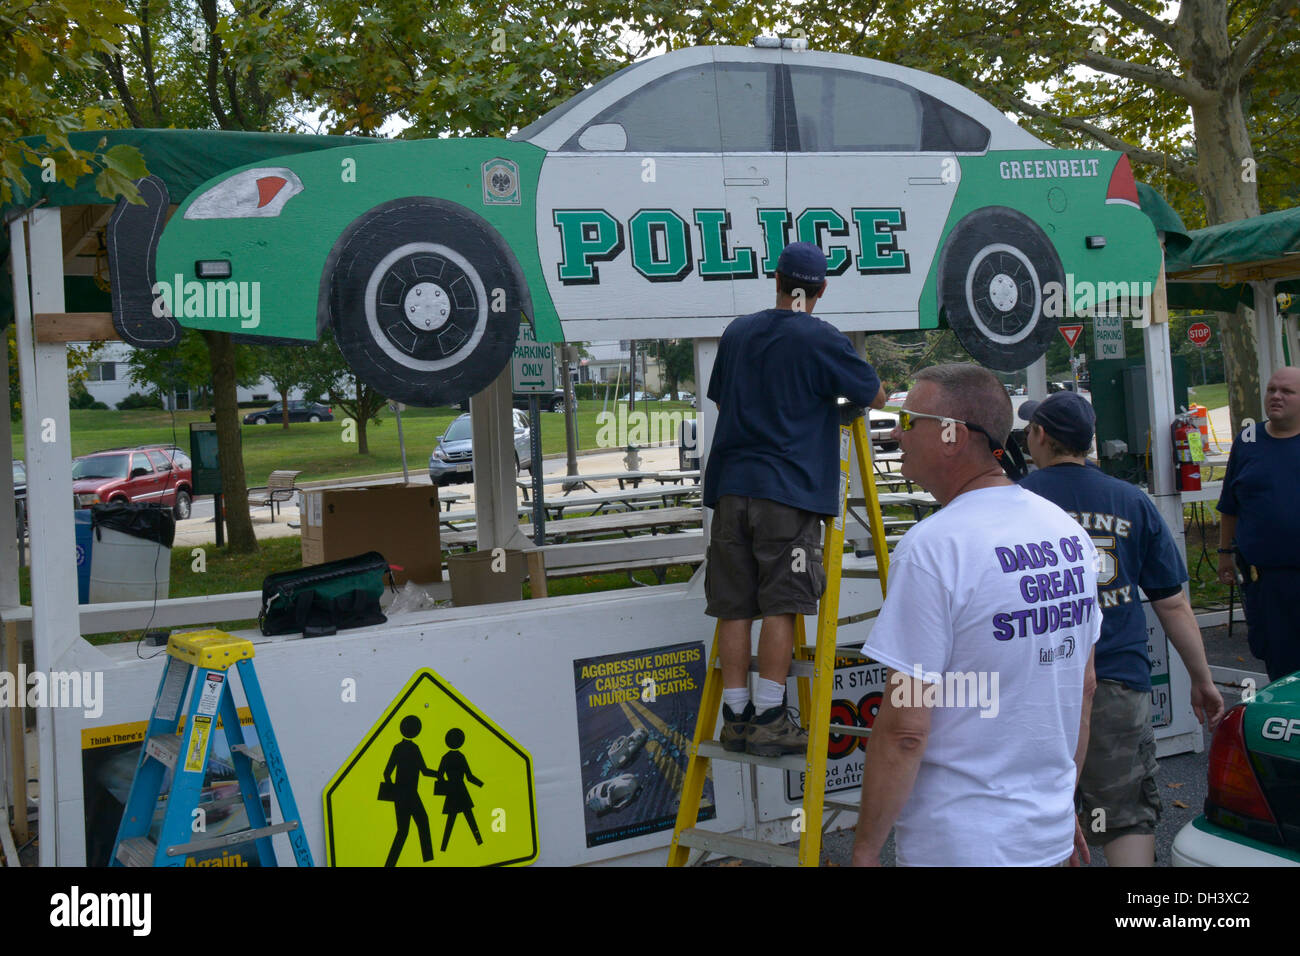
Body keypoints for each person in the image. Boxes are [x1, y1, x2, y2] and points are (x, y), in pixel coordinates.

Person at [851, 364, 1101, 867]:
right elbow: (1085, 686)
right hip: (1045, 836)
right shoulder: (1067, 534)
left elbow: (905, 727)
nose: (896, 432)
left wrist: (864, 851)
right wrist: (1059, 806)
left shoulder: (933, 549)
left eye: (909, 419)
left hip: (959, 843)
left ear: (952, 436)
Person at [1018, 391, 1224, 867]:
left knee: (1029, 813)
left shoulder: (1015, 500)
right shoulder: (1132, 500)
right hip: (1117, 680)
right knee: (1125, 814)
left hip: (1033, 684)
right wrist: (1203, 680)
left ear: (1040, 435)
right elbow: (1172, 604)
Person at [704, 241, 886, 756]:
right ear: (820, 289)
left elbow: (724, 395)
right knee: (782, 605)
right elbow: (874, 396)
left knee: (734, 608)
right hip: (788, 491)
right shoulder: (819, 337)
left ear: (776, 278)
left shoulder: (738, 332)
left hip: (730, 490)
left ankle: (736, 718)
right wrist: (831, 409)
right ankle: (770, 717)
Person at [1217, 366, 1300, 682]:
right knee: (1277, 663)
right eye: (1271, 389)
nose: (1276, 396)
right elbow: (1229, 505)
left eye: (1287, 392)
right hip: (1263, 581)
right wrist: (1224, 552)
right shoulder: (1248, 441)